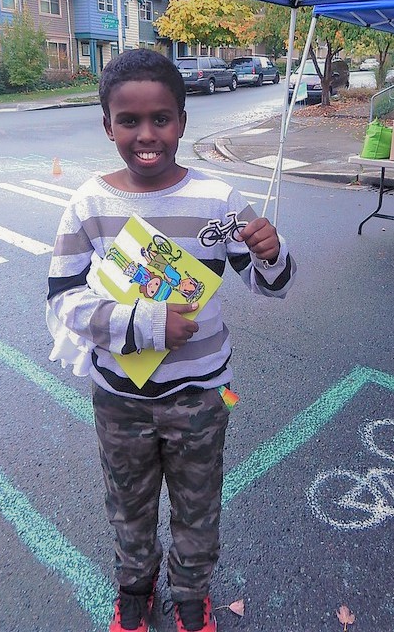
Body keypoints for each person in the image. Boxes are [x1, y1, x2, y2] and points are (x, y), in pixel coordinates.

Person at [46, 49, 296, 632]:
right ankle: (134, 588)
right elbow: (63, 301)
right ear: (107, 125)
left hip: (205, 395)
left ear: (183, 120)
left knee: (198, 504)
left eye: (161, 118)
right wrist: (149, 323)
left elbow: (273, 286)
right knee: (128, 504)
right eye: (128, 121)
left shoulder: (217, 200)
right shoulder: (89, 204)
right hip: (120, 395)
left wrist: (270, 251)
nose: (146, 135)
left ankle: (190, 593)